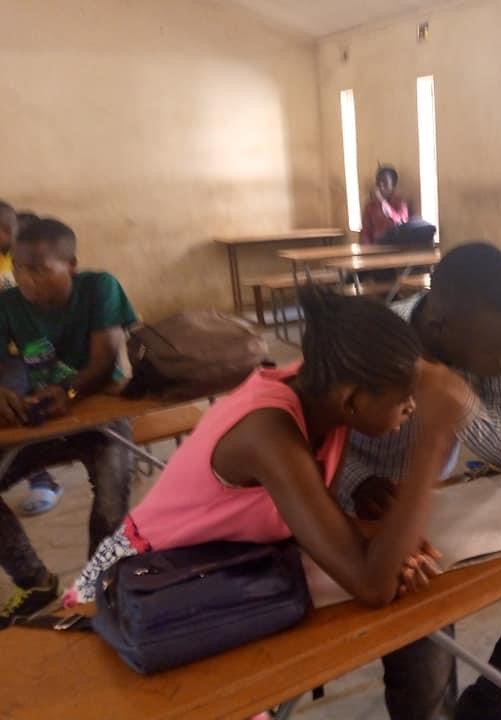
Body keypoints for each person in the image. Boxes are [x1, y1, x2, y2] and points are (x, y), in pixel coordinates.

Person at [65, 288, 473, 610]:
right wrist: (432, 441)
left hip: (209, 576)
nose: (413, 409)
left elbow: (315, 524)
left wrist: (384, 538)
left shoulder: (324, 398)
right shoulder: (269, 431)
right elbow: (372, 586)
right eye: (405, 401)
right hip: (135, 585)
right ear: (352, 401)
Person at [337, 242, 501, 720]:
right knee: (425, 636)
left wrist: (454, 397)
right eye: (496, 350)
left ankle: (486, 707)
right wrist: (358, 481)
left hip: (444, 499)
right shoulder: (368, 347)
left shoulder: (482, 343)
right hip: (374, 515)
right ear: (438, 328)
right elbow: (320, 443)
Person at [0, 218, 138, 626]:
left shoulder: (100, 288)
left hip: (99, 415)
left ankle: (98, 586)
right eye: (18, 267)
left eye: (39, 269)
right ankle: (35, 581)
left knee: (112, 496)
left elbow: (104, 362)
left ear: (71, 265)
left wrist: (71, 393)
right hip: (40, 421)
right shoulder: (8, 304)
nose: (26, 278)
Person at [0, 206, 64, 516]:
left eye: (5, 229)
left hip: (27, 354)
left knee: (14, 406)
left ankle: (43, 479)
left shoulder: (24, 264)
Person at [360, 165, 410, 245]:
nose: (381, 186)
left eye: (385, 183)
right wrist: (368, 250)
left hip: (396, 248)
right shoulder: (370, 205)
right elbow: (365, 232)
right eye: (378, 182)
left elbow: (399, 223)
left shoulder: (400, 203)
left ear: (393, 185)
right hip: (375, 248)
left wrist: (383, 202)